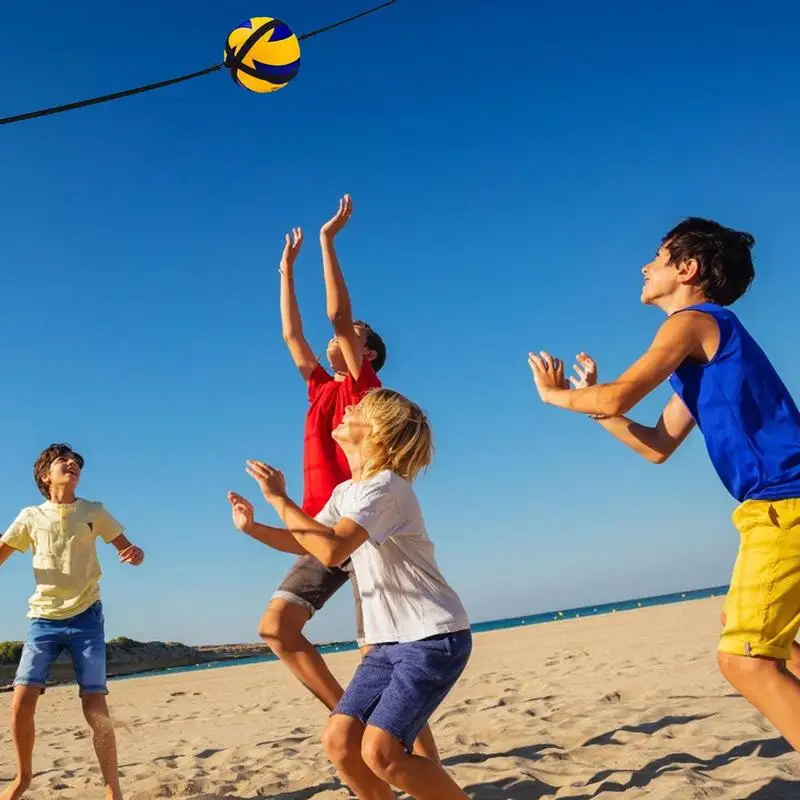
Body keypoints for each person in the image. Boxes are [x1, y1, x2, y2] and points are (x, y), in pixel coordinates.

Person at [527, 217, 800, 751]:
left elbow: (617, 396)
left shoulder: (694, 322)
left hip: (782, 505)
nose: (645, 266)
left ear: (688, 269)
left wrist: (557, 397)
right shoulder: (704, 354)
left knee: (744, 659)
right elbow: (657, 444)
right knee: (776, 645)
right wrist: (601, 409)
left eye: (658, 256)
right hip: (779, 507)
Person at [259, 194, 439, 760]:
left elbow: (337, 316)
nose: (339, 337)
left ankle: (410, 752)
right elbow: (293, 337)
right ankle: (354, 715)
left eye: (353, 335)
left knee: (380, 651)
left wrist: (326, 243)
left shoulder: (367, 391)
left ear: (369, 352)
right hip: (324, 527)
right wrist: (285, 272)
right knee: (279, 628)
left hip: (359, 525)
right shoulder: (321, 388)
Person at [228, 388, 472, 800]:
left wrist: (279, 498)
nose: (346, 412)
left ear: (378, 433)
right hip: (386, 645)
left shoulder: (387, 489)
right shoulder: (346, 492)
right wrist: (254, 528)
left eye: (356, 409)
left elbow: (333, 548)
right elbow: (309, 542)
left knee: (382, 754)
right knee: (340, 744)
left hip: (432, 639)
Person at [0, 443, 145, 800]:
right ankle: (23, 777)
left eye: (76, 462)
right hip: (43, 619)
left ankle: (113, 789)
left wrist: (136, 555)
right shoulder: (30, 516)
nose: (72, 464)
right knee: (21, 699)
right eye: (62, 461)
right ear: (45, 475)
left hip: (86, 618)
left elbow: (128, 549)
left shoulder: (93, 511)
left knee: (95, 704)